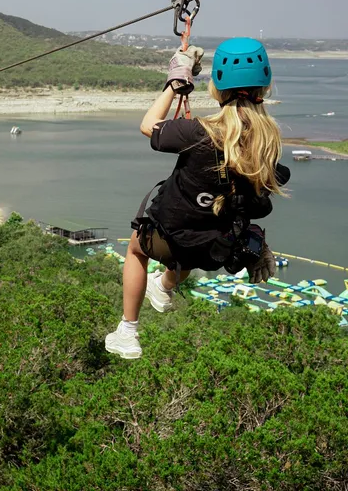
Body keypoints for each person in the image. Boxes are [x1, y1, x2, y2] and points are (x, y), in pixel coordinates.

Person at [105, 38, 290, 360]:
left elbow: (149, 125)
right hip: (215, 251)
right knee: (192, 246)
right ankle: (163, 287)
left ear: (217, 90)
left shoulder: (196, 133)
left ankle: (128, 331)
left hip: (167, 238)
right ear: (265, 88)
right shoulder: (268, 144)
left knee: (137, 248)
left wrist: (175, 83)